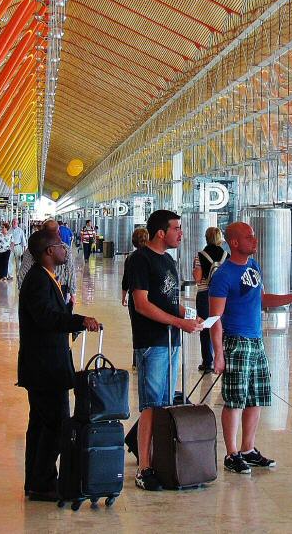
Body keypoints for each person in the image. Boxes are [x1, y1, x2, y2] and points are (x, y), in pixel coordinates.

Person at [208, 222, 292, 475]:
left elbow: (261, 300)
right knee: (235, 399)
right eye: (249, 237)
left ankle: (248, 449)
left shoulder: (253, 267)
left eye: (254, 236)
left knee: (255, 397)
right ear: (234, 243)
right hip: (236, 341)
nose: (255, 240)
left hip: (256, 341)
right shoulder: (223, 276)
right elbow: (215, 318)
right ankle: (231, 452)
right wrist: (219, 355)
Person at [18, 228, 101, 501]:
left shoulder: (47, 277)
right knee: (54, 425)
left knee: (43, 426)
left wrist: (73, 316)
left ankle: (36, 481)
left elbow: (53, 314)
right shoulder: (38, 281)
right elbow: (47, 318)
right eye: (60, 245)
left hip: (46, 365)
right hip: (44, 368)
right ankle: (43, 483)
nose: (65, 249)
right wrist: (78, 321)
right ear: (48, 251)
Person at [126, 210, 202, 491]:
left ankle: (157, 457)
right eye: (176, 228)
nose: (181, 233)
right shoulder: (140, 260)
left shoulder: (169, 260)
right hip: (151, 341)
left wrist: (191, 317)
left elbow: (171, 302)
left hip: (171, 339)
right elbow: (142, 304)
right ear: (161, 232)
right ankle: (144, 466)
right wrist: (178, 321)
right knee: (151, 405)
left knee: (165, 402)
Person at [17, 219, 77, 303]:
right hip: (60, 286)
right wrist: (72, 293)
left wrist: (22, 290)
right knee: (58, 314)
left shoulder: (32, 248)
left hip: (38, 286)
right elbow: (70, 271)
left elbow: (23, 271)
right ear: (58, 231)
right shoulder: (65, 248)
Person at [192, 226, 225, 374]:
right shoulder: (226, 255)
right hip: (222, 296)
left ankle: (207, 362)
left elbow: (198, 278)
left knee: (205, 327)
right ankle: (223, 358)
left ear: (206, 238)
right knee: (221, 325)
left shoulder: (200, 255)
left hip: (205, 294)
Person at [120, 227, 150, 307]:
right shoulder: (152, 257)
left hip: (133, 300)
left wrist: (123, 297)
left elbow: (125, 280)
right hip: (150, 299)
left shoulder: (130, 257)